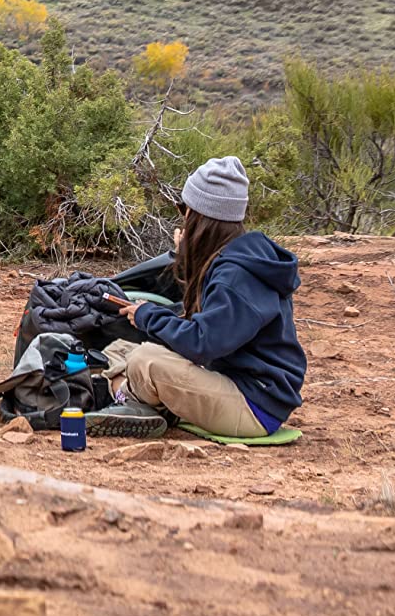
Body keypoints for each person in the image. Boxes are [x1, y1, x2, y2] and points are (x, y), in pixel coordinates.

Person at [92, 156, 305, 439]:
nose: (183, 217)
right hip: (237, 384)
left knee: (146, 360)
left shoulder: (237, 276)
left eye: (185, 209)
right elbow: (202, 322)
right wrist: (186, 265)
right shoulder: (235, 259)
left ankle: (129, 400)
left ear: (202, 217)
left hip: (253, 405)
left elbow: (202, 342)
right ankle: (131, 397)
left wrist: (148, 316)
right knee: (122, 349)